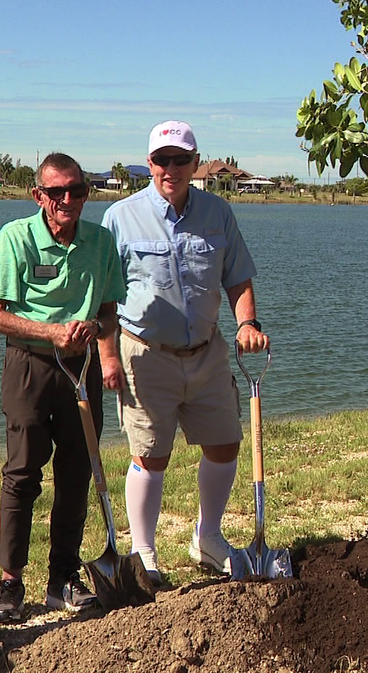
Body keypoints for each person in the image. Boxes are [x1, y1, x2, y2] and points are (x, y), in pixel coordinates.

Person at [99, 120, 270, 584]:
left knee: (224, 445)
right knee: (151, 454)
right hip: (146, 353)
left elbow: (237, 275)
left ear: (196, 164)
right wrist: (108, 356)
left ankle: (208, 537)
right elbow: (104, 297)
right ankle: (144, 552)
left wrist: (248, 323)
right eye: (160, 160)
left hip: (207, 351)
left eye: (180, 160)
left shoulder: (219, 213)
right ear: (149, 163)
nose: (170, 168)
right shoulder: (120, 217)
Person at [0, 153, 127, 623]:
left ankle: (62, 577)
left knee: (76, 473)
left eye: (77, 191)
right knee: (22, 473)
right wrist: (52, 331)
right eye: (58, 192)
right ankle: (10, 581)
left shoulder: (101, 241)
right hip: (29, 365)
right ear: (39, 195)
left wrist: (92, 328)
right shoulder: (16, 237)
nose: (68, 200)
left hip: (80, 368)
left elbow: (109, 314)